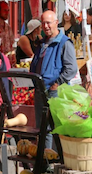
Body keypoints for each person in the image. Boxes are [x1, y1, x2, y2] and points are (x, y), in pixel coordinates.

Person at [31, 10, 77, 148]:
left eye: (48, 23)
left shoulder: (64, 43)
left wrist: (57, 83)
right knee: (42, 128)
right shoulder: (42, 43)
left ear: (56, 23)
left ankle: (53, 160)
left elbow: (71, 68)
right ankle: (44, 160)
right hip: (40, 90)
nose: (45, 26)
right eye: (43, 23)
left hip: (54, 92)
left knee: (53, 127)